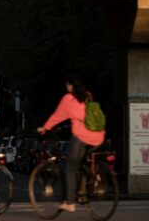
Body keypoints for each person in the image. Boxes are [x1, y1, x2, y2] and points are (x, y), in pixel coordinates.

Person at [37, 76, 105, 212]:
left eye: (67, 85)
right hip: (99, 136)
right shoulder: (88, 96)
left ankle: (69, 202)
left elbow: (57, 116)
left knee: (70, 168)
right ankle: (88, 184)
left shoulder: (68, 99)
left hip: (81, 136)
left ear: (70, 86)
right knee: (82, 163)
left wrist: (45, 128)